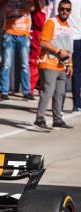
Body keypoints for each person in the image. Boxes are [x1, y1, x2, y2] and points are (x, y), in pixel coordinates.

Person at [35, 0, 73, 129]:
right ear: (58, 9)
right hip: (48, 62)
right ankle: (40, 119)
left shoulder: (68, 26)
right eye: (62, 8)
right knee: (48, 91)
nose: (64, 11)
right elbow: (43, 43)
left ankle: (58, 119)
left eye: (68, 9)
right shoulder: (52, 23)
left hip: (62, 65)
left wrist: (70, 64)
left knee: (60, 93)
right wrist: (58, 51)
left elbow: (68, 48)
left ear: (70, 11)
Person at [0, 0, 35, 101]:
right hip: (9, 34)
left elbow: (31, 8)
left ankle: (26, 91)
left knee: (24, 65)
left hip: (24, 34)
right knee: (6, 65)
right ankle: (4, 92)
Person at [69, 0, 81, 112]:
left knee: (62, 73)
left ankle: (77, 104)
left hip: (65, 38)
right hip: (73, 38)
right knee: (76, 73)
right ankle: (77, 105)